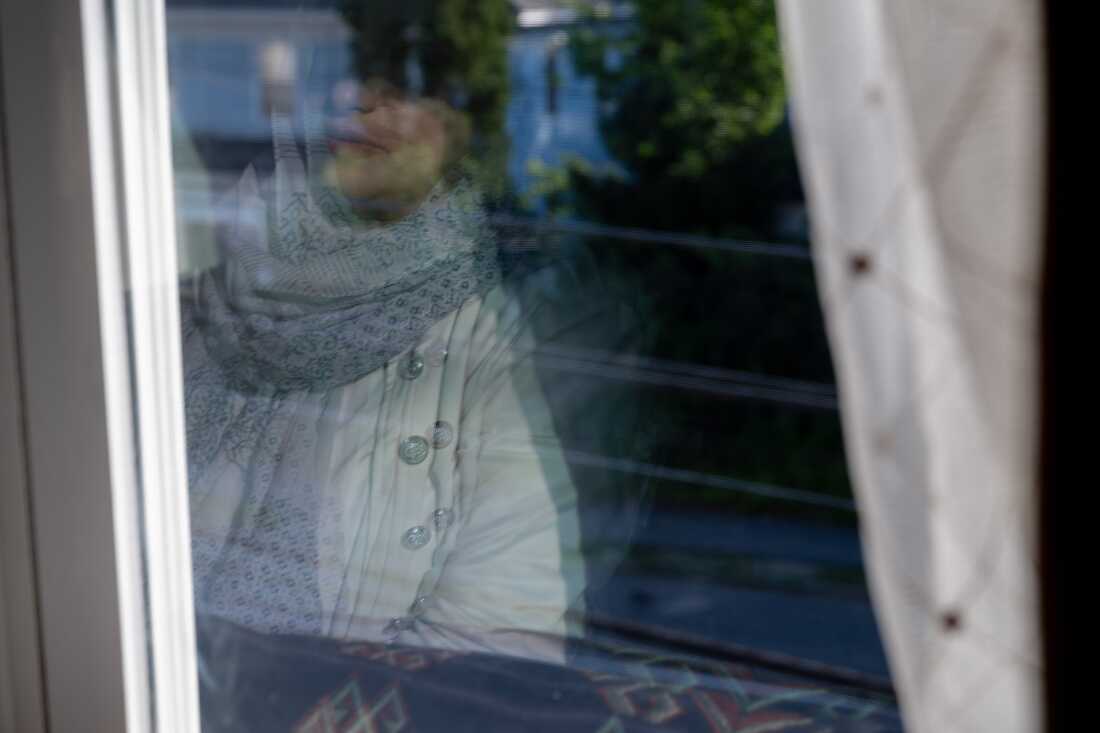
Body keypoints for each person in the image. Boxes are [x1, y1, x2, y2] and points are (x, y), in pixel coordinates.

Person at [180, 41, 641, 663]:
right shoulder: (206, 288)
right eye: (350, 73)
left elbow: (495, 651)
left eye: (405, 85)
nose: (368, 103)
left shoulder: (517, 327)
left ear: (459, 127)